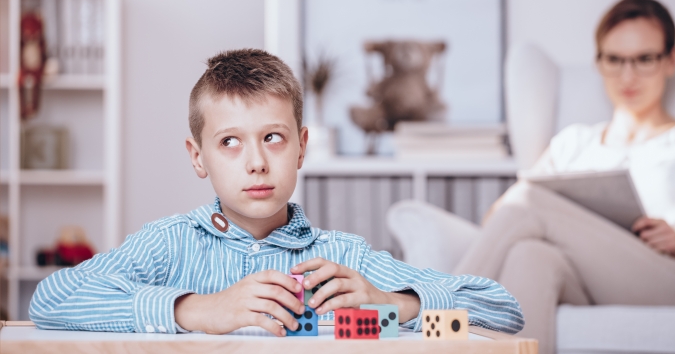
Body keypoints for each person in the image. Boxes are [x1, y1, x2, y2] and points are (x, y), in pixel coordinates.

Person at [29, 49, 524, 335]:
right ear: (197, 157)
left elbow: (503, 311)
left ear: (301, 147)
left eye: (273, 137)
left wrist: (395, 305)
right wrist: (197, 309)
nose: (257, 161)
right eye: (229, 142)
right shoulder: (168, 245)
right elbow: (50, 301)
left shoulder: (342, 258)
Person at [452, 0, 675, 354]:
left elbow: (526, 204)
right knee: (529, 254)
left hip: (673, 276)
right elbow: (499, 217)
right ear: (599, 63)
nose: (627, 75)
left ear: (670, 60)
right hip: (586, 278)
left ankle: (425, 313)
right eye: (614, 60)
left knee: (530, 201)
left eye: (644, 59)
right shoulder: (574, 142)